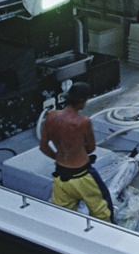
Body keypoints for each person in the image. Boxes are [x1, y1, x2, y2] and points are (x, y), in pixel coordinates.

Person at [38, 82, 113, 221]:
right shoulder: (83, 122)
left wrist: (58, 156)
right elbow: (91, 148)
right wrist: (77, 150)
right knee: (102, 209)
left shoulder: (50, 116)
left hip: (61, 175)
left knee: (62, 214)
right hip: (82, 175)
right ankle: (107, 236)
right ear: (81, 101)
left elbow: (43, 146)